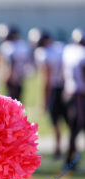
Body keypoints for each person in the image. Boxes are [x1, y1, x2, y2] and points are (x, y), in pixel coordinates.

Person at [29, 28, 67, 159]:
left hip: (54, 89)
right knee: (70, 121)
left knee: (55, 121)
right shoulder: (60, 47)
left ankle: (58, 150)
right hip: (67, 87)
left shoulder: (43, 53)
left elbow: (47, 78)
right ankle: (68, 151)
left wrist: (43, 99)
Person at [62, 28, 85, 169]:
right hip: (80, 95)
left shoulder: (69, 51)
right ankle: (71, 160)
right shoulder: (81, 54)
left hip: (69, 92)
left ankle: (70, 160)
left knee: (73, 128)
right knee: (77, 128)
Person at [0, 23, 33, 101]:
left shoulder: (7, 46)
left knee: (10, 99)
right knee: (18, 99)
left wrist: (7, 76)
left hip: (12, 76)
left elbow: (11, 62)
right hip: (21, 75)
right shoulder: (23, 45)